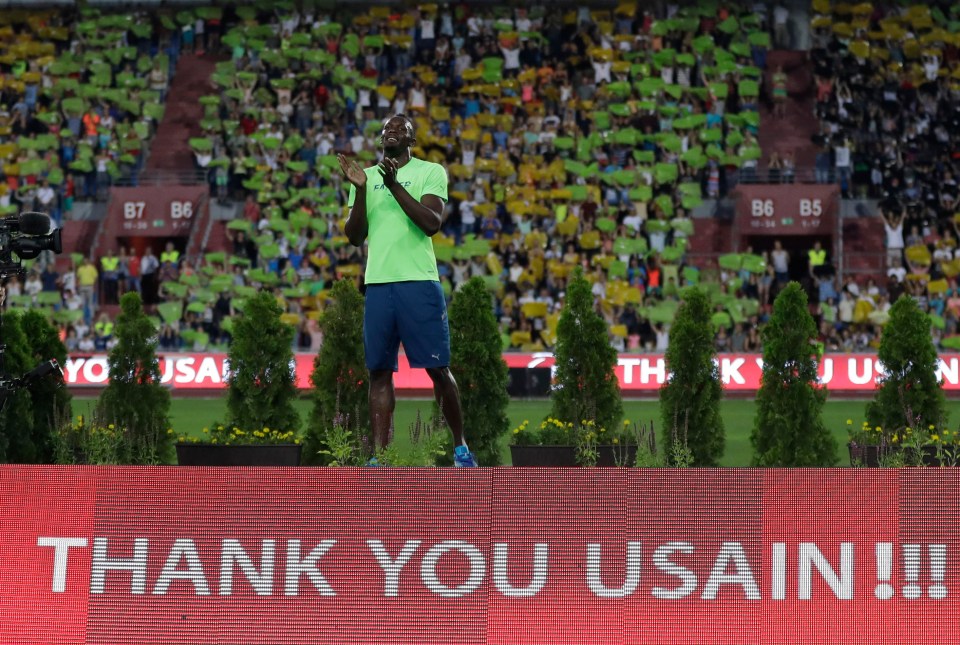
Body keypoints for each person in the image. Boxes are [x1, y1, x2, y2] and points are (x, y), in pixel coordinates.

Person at [338, 114, 478, 467]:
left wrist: (395, 184)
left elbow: (431, 223)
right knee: (379, 372)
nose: (391, 132)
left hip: (418, 281)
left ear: (411, 139)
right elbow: (354, 237)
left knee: (438, 369)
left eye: (399, 129)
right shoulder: (365, 177)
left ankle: (460, 448)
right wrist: (359, 189)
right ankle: (380, 458)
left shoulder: (431, 172)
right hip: (379, 283)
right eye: (386, 129)